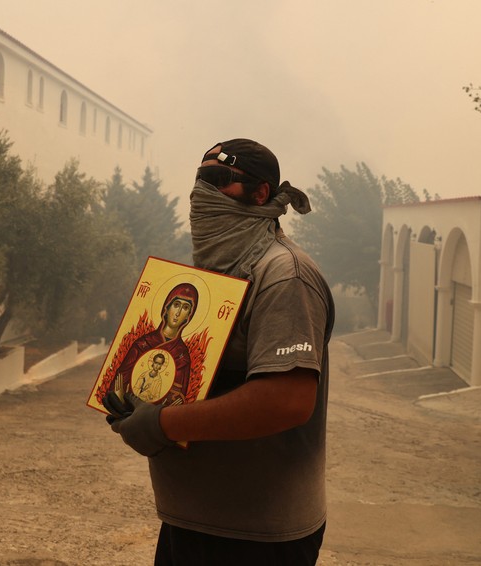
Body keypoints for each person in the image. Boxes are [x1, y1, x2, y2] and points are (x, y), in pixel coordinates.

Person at [104, 138, 334, 565]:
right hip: (190, 520)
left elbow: (287, 400)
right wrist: (139, 402)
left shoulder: (285, 275)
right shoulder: (217, 275)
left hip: (258, 537)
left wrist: (161, 424)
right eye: (199, 179)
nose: (200, 193)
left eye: (217, 180)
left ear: (260, 193)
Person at [109, 283, 198, 405]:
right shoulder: (143, 343)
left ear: (189, 316)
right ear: (167, 308)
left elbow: (179, 397)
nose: (178, 313)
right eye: (176, 305)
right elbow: (120, 381)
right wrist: (118, 397)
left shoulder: (182, 355)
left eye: (185, 308)